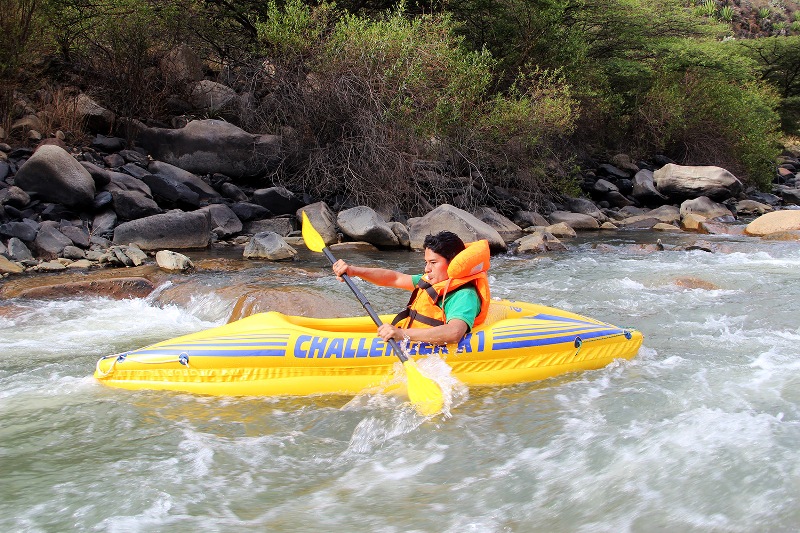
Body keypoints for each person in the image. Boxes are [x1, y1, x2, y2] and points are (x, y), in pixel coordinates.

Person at [332, 231, 491, 345]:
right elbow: (394, 278)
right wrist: (354, 271)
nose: (427, 269)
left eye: (433, 263)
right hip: (413, 336)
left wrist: (402, 334)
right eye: (426, 262)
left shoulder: (464, 295)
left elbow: (454, 333)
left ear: (453, 263)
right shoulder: (431, 281)